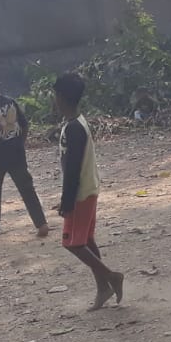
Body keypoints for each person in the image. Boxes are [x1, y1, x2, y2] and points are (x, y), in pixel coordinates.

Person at [53, 71, 124, 310]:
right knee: (86, 240)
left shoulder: (74, 128)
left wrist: (66, 201)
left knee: (72, 243)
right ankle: (103, 287)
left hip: (81, 193)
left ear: (61, 97)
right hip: (87, 188)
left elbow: (72, 170)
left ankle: (111, 276)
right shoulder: (76, 122)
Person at [0, 68, 50, 238]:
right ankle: (41, 224)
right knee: (26, 187)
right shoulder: (11, 102)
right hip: (16, 151)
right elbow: (24, 125)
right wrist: (20, 143)